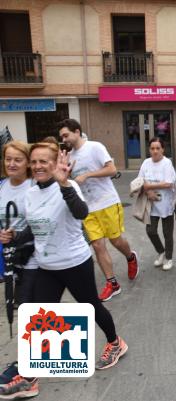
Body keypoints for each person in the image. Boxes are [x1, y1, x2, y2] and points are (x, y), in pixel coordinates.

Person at [3, 142, 128, 372]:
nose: (38, 166)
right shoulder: (31, 194)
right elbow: (34, 229)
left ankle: (115, 342)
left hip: (74, 263)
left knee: (91, 306)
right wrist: (13, 237)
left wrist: (63, 184)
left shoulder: (68, 186)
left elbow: (81, 212)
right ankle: (31, 373)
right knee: (41, 316)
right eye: (34, 162)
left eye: (43, 161)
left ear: (54, 163)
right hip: (46, 266)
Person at [59, 119, 139, 302]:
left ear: (77, 132)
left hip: (107, 202)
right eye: (62, 137)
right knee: (97, 245)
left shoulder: (95, 147)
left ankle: (130, 256)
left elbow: (112, 169)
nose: (64, 139)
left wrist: (87, 175)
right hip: (87, 207)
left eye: (66, 135)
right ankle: (112, 283)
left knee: (116, 241)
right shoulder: (69, 157)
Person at [0, 141, 40, 399]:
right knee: (18, 306)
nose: (12, 164)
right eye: (8, 159)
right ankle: (24, 364)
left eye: (17, 159)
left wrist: (18, 236)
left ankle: (28, 373)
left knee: (28, 307)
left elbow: (42, 224)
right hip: (10, 258)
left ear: (27, 162)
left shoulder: (35, 188)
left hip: (34, 259)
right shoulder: (1, 187)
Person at [137, 137, 176, 271]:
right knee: (150, 231)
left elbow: (168, 183)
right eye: (152, 148)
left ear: (163, 149)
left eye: (158, 148)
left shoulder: (167, 163)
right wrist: (148, 192)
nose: (155, 151)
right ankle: (161, 252)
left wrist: (150, 186)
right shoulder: (146, 163)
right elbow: (140, 181)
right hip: (151, 204)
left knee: (167, 233)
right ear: (149, 150)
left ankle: (169, 258)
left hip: (166, 204)